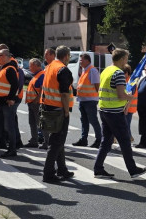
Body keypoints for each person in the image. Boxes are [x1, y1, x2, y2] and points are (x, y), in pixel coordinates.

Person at [94, 49, 146, 179]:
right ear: (122, 59)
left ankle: (98, 168)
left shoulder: (106, 70)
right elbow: (120, 95)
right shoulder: (118, 73)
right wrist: (129, 97)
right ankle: (133, 170)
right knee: (124, 141)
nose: (127, 61)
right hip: (115, 112)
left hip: (103, 110)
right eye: (126, 58)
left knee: (106, 141)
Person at [41, 46, 75, 183]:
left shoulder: (50, 66)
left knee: (57, 141)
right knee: (56, 143)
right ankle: (48, 173)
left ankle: (62, 169)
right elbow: (64, 94)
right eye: (69, 56)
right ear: (66, 56)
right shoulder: (63, 69)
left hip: (48, 107)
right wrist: (66, 111)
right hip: (59, 111)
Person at [0, 47, 23, 158]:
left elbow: (15, 85)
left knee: (9, 127)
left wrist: (11, 99)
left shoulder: (9, 69)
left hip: (6, 103)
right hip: (1, 101)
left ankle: (12, 149)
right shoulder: (4, 68)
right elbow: (0, 84)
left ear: (5, 56)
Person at [72, 53, 102, 147]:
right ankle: (83, 139)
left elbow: (97, 85)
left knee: (93, 120)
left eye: (81, 60)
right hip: (83, 100)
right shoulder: (84, 70)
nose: (80, 62)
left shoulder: (92, 70)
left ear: (87, 61)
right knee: (84, 120)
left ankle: (99, 140)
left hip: (90, 100)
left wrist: (97, 97)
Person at [24, 58, 45, 148]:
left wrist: (37, 99)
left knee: (40, 123)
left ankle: (46, 142)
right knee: (32, 122)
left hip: (36, 103)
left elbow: (42, 89)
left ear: (37, 66)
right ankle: (34, 140)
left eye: (31, 65)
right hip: (32, 102)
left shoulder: (41, 75)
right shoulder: (36, 75)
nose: (29, 67)